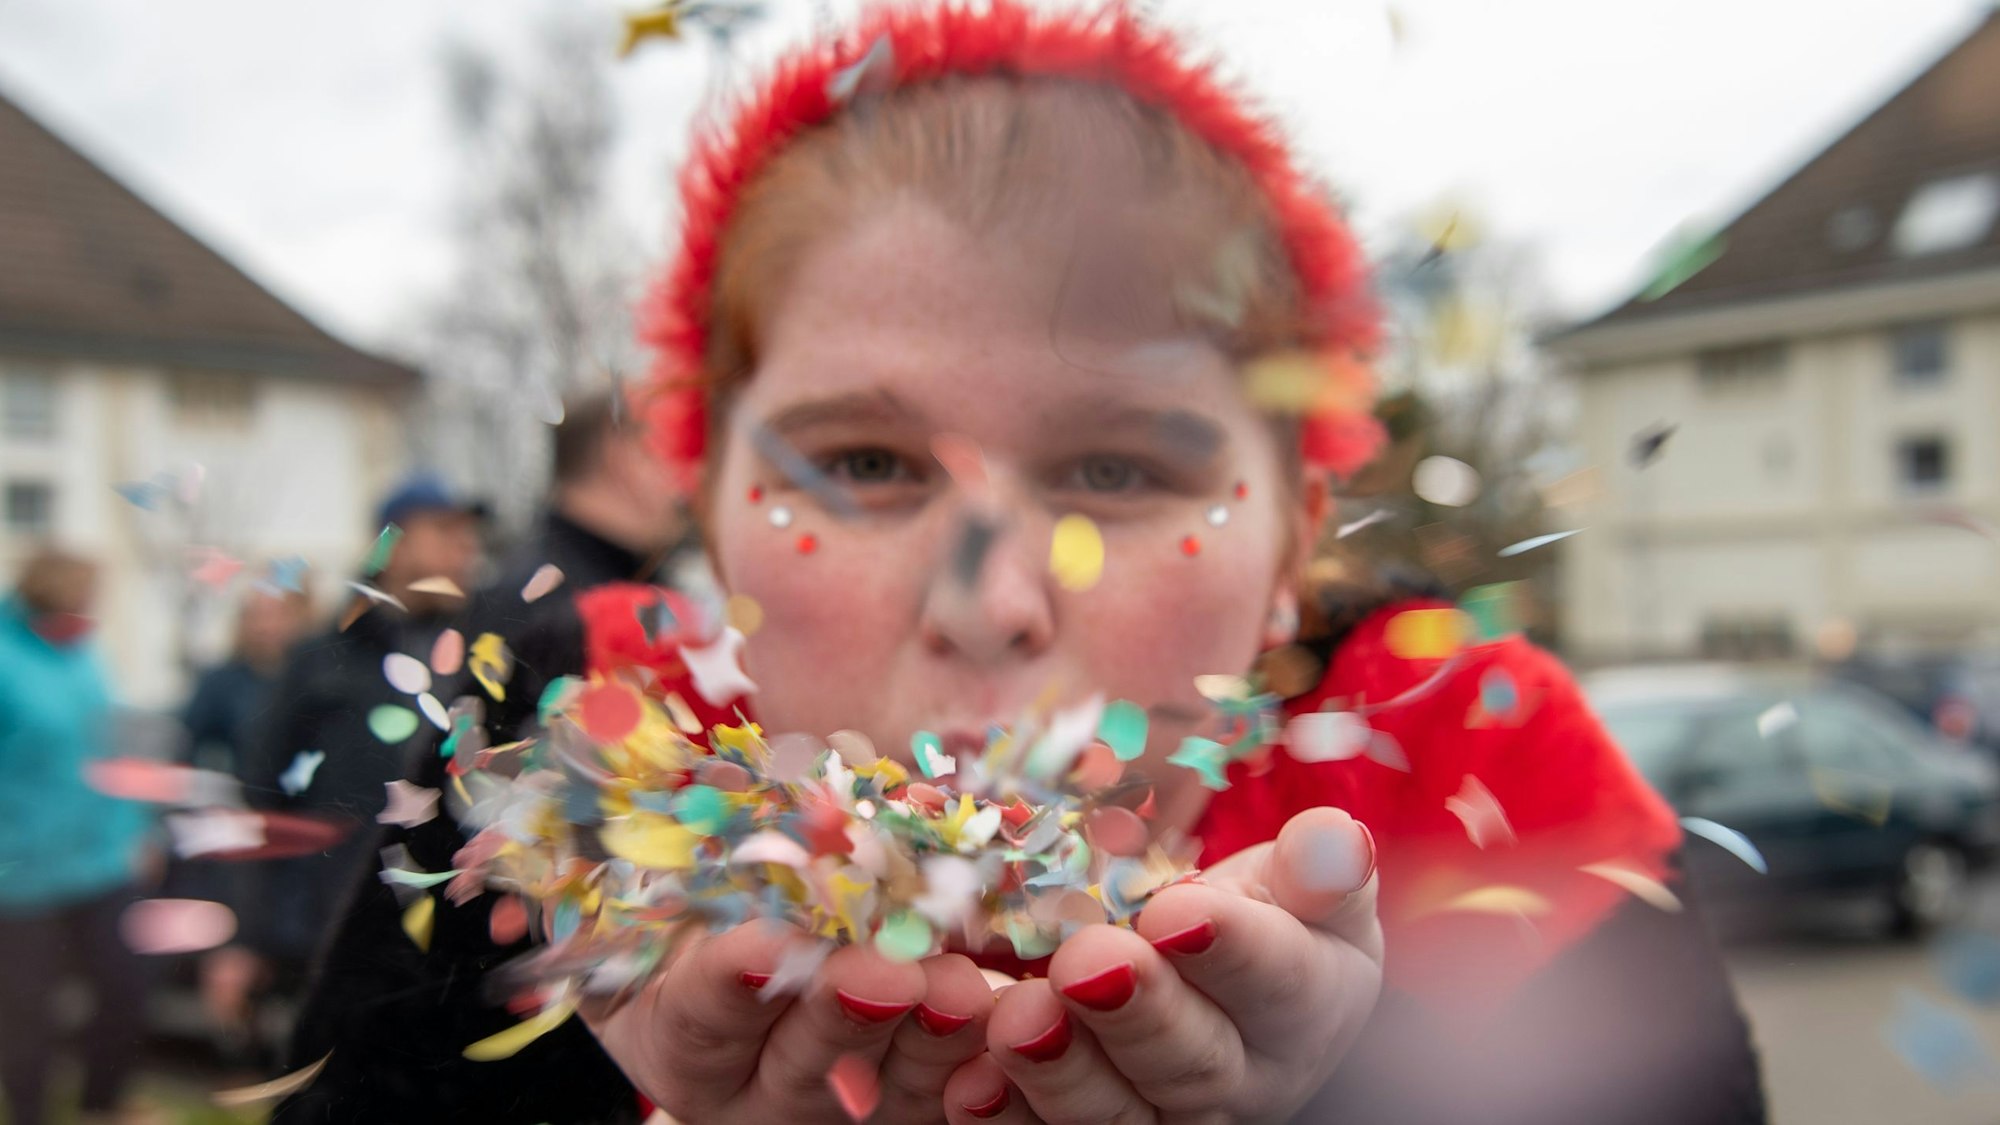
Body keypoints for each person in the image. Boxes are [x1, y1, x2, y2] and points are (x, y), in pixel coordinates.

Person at [287, 4, 1766, 1122]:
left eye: (1117, 472)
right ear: (712, 507)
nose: (991, 604)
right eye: (864, 466)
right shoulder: (574, 748)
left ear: (1290, 547)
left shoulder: (1464, 763)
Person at [271, 393, 693, 1119]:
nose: (698, 472)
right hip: (471, 1055)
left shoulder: (558, 590)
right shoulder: (569, 613)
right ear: (632, 453)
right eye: (686, 441)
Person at [235, 475, 484, 1003]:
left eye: (468, 533)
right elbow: (261, 793)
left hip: (450, 939)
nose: (465, 546)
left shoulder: (484, 653)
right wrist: (247, 938)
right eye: (443, 530)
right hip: (331, 935)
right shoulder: (323, 659)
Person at [0, 549, 154, 1125]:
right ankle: (30, 1115)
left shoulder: (83, 652)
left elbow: (106, 743)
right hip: (22, 873)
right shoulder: (6, 657)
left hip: (102, 860)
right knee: (27, 1013)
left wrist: (137, 831)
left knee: (125, 988)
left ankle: (100, 1106)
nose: (90, 615)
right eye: (80, 603)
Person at [170, 582, 312, 1064]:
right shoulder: (223, 682)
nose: (266, 626)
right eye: (256, 615)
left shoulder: (317, 679)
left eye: (277, 614)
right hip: (237, 832)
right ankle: (234, 1054)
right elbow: (188, 753)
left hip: (301, 834)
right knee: (234, 943)